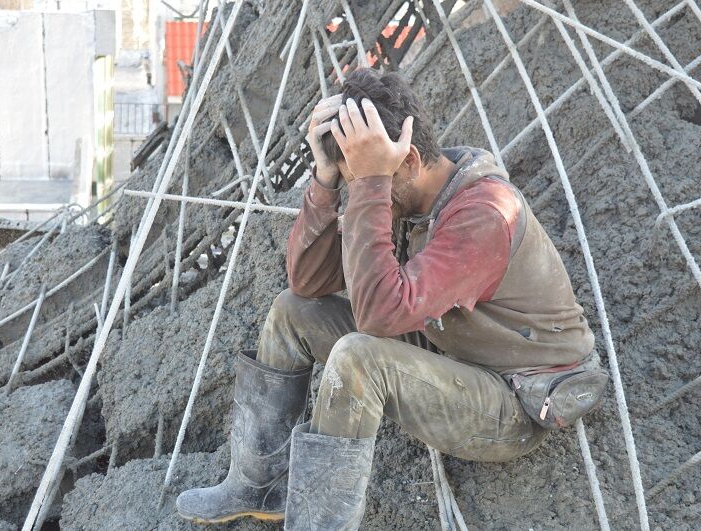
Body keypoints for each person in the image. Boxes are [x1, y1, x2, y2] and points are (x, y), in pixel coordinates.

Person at [175, 69, 598, 530]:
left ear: (410, 159)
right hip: (446, 348)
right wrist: (327, 179)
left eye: (371, 181)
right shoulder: (406, 196)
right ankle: (260, 486)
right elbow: (307, 283)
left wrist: (371, 184)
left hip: (511, 401)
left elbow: (378, 318)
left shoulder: (484, 214)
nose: (364, 194)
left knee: (360, 357)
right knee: (291, 313)